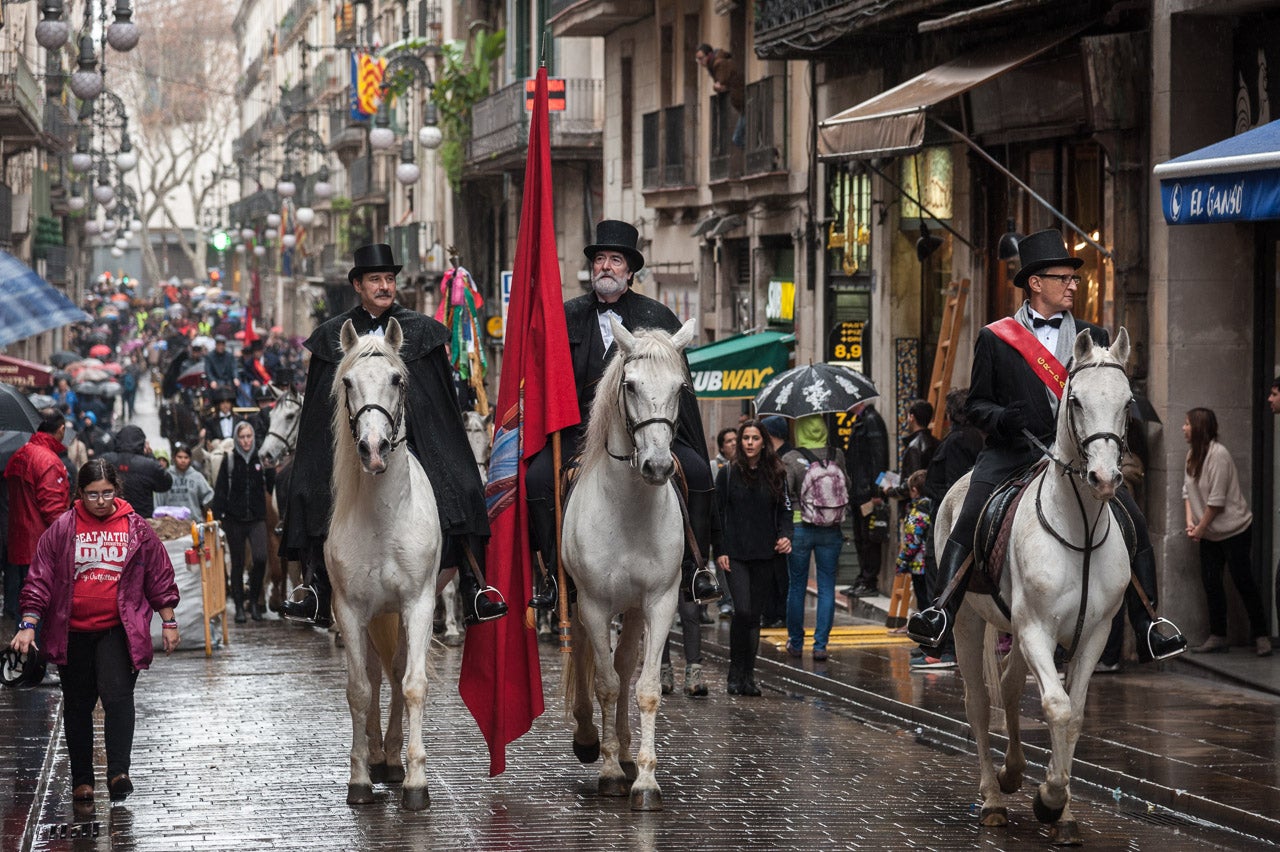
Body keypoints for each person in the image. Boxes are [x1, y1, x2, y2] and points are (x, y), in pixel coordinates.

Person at [906, 230, 1186, 662]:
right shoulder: (996, 337)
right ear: (1036, 282)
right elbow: (975, 403)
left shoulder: (1095, 335)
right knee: (969, 509)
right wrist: (1001, 418)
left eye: (1074, 278)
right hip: (1013, 450)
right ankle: (939, 610)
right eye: (1064, 277)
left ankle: (1150, 622)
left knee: (1134, 522)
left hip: (1076, 459)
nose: (1074, 285)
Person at [279, 243, 506, 628]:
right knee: (306, 485)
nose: (384, 286)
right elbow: (320, 409)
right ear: (358, 284)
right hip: (350, 444)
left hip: (415, 438)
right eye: (375, 280)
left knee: (465, 484)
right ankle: (315, 584)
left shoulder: (423, 332)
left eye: (389, 279)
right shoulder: (333, 336)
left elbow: (440, 404)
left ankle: (473, 584)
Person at [526, 220, 721, 611]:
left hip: (652, 428)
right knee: (537, 479)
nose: (606, 267)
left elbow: (675, 385)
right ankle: (549, 574)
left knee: (699, 472)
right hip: (579, 432)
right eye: (600, 259)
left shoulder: (658, 316)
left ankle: (696, 567)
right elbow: (548, 378)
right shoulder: (566, 316)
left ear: (630, 271)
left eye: (616, 260)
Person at [9, 459, 180, 803]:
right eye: (92, 495)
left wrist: (169, 619)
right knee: (77, 704)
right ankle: (82, 781)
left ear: (116, 491)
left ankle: (118, 772)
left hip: (117, 629)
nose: (100, 501)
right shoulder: (62, 529)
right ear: (80, 494)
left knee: (118, 697)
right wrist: (28, 624)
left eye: (106, 493)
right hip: (71, 631)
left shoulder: (136, 528)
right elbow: (39, 579)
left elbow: (158, 574)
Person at [1182, 407, 1271, 657]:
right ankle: (1218, 635)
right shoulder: (1191, 455)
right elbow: (1187, 492)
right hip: (1209, 532)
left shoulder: (1219, 455)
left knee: (1243, 581)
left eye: (1188, 424)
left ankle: (1261, 635)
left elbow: (1216, 501)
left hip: (1235, 529)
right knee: (1211, 583)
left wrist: (1198, 529)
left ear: (1199, 427)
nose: (1184, 428)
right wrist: (1191, 522)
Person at [714, 419, 792, 695]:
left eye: (754, 438)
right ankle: (734, 673)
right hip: (735, 554)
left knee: (754, 616)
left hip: (765, 552)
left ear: (763, 442)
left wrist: (785, 535)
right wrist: (720, 549)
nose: (748, 443)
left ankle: (748, 676)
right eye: (744, 437)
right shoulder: (728, 473)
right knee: (743, 611)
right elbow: (718, 513)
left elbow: (785, 511)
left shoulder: (777, 473)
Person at [918, 387, 983, 667]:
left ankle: (943, 647)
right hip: (951, 514)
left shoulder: (959, 440)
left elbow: (956, 486)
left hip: (951, 520)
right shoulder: (970, 437)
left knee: (941, 579)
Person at [781, 414, 849, 661]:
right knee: (827, 586)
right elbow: (847, 485)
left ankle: (796, 642)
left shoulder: (790, 458)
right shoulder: (837, 454)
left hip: (800, 528)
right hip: (831, 528)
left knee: (797, 585)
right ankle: (821, 645)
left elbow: (785, 492)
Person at [5, 410, 71, 621]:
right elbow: (54, 512)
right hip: (41, 547)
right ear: (61, 429)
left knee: (25, 606)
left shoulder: (21, 453)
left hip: (20, 542)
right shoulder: (48, 461)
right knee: (39, 608)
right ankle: (38, 653)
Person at [213, 422, 274, 623]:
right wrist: (218, 515)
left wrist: (271, 469)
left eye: (249, 436)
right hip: (234, 519)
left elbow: (271, 484)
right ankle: (239, 606)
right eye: (242, 437)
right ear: (237, 439)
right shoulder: (230, 460)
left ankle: (254, 601)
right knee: (238, 563)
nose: (246, 440)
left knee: (260, 558)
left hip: (257, 517)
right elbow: (221, 488)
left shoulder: (260, 459)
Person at [843, 400, 889, 598]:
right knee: (861, 537)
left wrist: (877, 491)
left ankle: (869, 580)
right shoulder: (860, 421)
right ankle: (863, 578)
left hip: (867, 491)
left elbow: (880, 456)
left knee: (869, 537)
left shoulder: (871, 420)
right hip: (858, 490)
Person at [758, 415, 793, 628]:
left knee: (779, 576)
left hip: (781, 528)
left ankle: (778, 614)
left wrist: (785, 532)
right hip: (780, 528)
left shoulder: (782, 460)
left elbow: (785, 500)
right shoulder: (787, 456)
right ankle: (774, 613)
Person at [100, 425, 172, 520]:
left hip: (111, 517)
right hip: (140, 518)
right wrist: (150, 455)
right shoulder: (149, 464)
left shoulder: (105, 460)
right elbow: (165, 484)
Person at [895, 470, 932, 638]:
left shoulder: (917, 512)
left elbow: (912, 541)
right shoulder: (934, 506)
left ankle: (926, 639)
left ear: (915, 490)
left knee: (924, 604)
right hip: (932, 563)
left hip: (919, 566)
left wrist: (901, 562)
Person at [883, 400, 939, 505]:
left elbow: (914, 482)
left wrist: (890, 491)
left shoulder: (914, 447)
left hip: (917, 504)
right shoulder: (937, 443)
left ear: (911, 417)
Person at [695, 43, 745, 148]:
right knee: (739, 138)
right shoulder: (715, 64)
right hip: (741, 105)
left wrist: (716, 87)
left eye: (701, 58)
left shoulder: (718, 64)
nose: (700, 62)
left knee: (737, 139)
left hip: (744, 104)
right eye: (697, 59)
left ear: (708, 56)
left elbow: (720, 85)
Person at [711, 426, 738, 618]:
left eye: (736, 439)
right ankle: (725, 601)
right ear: (721, 447)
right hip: (721, 523)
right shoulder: (715, 467)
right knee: (722, 563)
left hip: (740, 525)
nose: (734, 443)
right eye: (729, 441)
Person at [153, 443, 213, 521]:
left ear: (190, 459)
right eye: (180, 457)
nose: (183, 460)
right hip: (169, 525)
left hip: (194, 523)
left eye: (186, 457)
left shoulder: (197, 477)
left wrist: (205, 509)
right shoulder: (165, 477)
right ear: (174, 458)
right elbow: (158, 503)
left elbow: (209, 496)